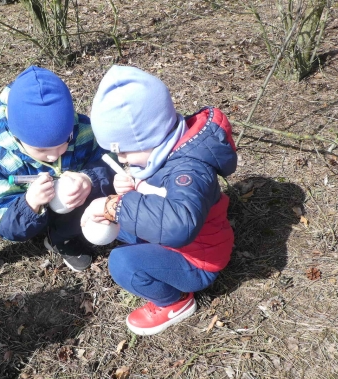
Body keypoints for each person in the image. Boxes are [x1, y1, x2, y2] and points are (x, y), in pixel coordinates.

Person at [82, 65, 238, 335]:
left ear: (146, 138)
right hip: (187, 242)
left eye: (124, 153)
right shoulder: (168, 149)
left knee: (122, 264)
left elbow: (180, 225)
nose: (122, 161)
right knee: (126, 228)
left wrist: (114, 205)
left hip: (199, 260)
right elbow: (160, 192)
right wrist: (133, 188)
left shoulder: (190, 171)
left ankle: (174, 302)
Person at [0, 66, 115, 302]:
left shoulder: (82, 130)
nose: (54, 156)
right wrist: (30, 203)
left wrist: (88, 178)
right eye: (42, 150)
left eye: (64, 142)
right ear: (18, 137)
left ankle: (60, 238)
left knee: (89, 194)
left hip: (63, 192)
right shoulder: (0, 155)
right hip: (16, 194)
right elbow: (8, 229)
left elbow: (108, 162)